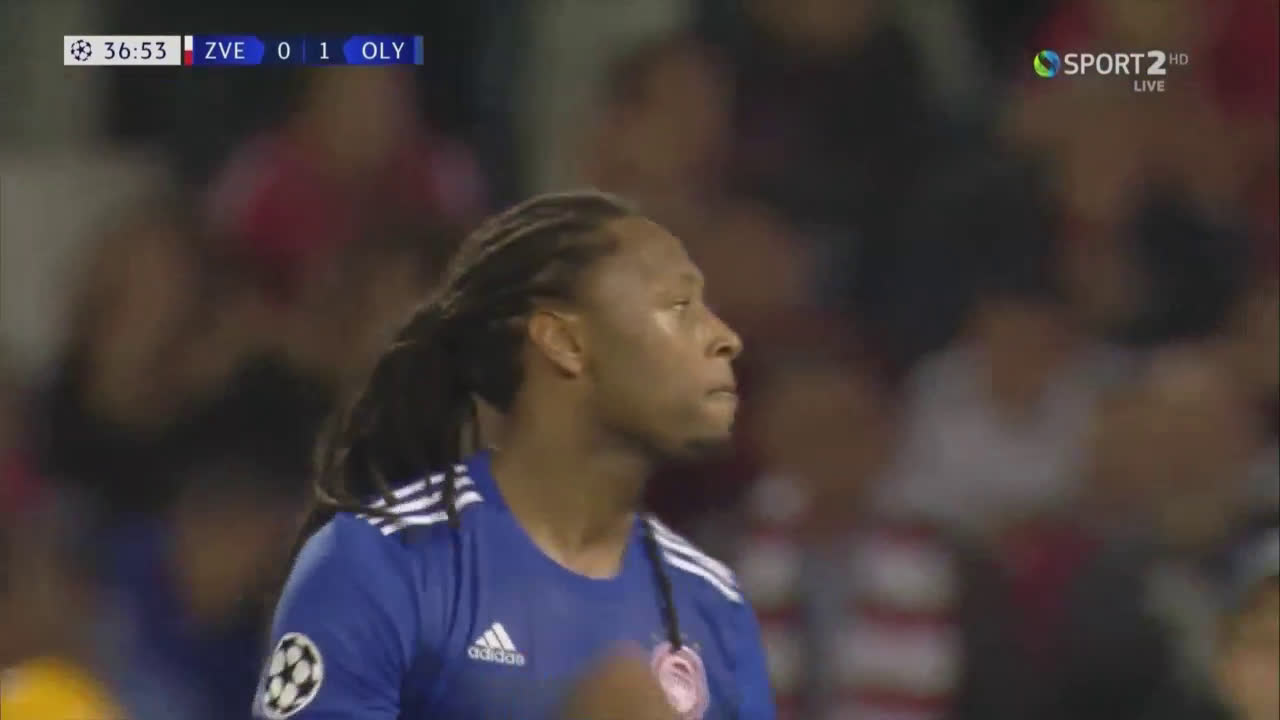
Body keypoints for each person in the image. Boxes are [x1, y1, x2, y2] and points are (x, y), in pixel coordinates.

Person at [254, 191, 773, 719]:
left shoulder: (714, 604)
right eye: (679, 306)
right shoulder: (381, 562)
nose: (725, 337)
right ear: (564, 342)